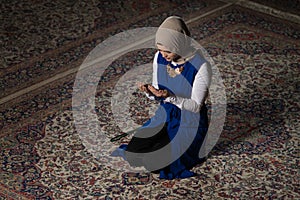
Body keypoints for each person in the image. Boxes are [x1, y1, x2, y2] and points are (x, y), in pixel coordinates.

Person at [111, 16, 212, 179]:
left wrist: (170, 97)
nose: (163, 54)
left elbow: (195, 107)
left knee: (154, 164)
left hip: (189, 122)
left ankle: (171, 147)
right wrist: (151, 93)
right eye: (160, 49)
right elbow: (158, 93)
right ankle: (163, 143)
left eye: (168, 51)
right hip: (165, 115)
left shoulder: (201, 66)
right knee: (134, 150)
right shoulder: (159, 57)